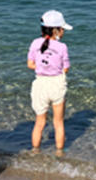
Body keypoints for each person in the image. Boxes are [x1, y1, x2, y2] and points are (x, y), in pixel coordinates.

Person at [27, 10, 72, 150]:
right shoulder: (62, 47)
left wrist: (42, 67)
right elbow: (66, 69)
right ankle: (59, 154)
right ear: (56, 30)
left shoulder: (35, 43)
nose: (63, 31)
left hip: (40, 84)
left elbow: (30, 64)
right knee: (58, 123)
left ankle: (35, 152)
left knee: (39, 123)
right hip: (56, 84)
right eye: (62, 28)